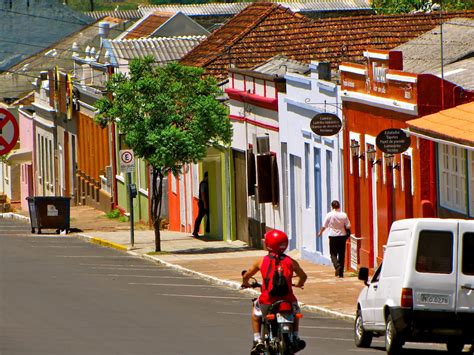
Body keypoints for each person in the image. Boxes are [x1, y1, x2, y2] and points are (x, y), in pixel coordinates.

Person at [242, 230, 307, 354]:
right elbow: (303, 276)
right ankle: (296, 336)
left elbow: (247, 275)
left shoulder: (261, 261)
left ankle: (257, 340)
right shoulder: (291, 262)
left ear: (268, 244)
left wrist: (245, 282)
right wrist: (299, 283)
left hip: (267, 301)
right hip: (288, 300)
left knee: (256, 313)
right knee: (295, 312)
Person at [317, 200, 351, 278]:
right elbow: (348, 226)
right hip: (342, 236)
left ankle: (337, 266)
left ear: (332, 206)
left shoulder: (329, 215)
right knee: (341, 254)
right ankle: (341, 273)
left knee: (333, 254)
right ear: (339, 206)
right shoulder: (344, 215)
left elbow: (324, 225)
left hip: (333, 236)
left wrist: (320, 232)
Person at [192, 172, 210, 238]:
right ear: (206, 177)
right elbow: (202, 194)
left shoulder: (205, 183)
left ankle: (207, 230)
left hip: (203, 202)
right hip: (202, 203)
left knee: (206, 216)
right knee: (200, 217)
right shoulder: (203, 184)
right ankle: (195, 231)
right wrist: (205, 204)